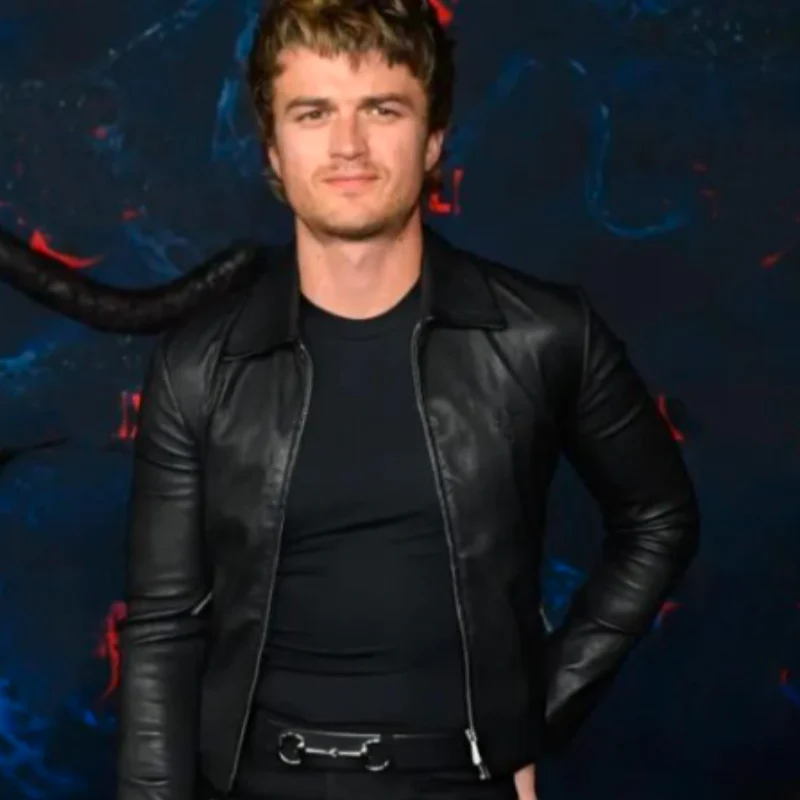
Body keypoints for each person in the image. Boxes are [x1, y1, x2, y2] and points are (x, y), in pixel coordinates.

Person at [116, 1, 701, 798]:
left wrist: (535, 713)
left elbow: (659, 518)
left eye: (382, 110)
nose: (347, 145)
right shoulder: (198, 367)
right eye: (313, 113)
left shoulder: (543, 335)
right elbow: (161, 628)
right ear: (273, 150)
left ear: (432, 141)